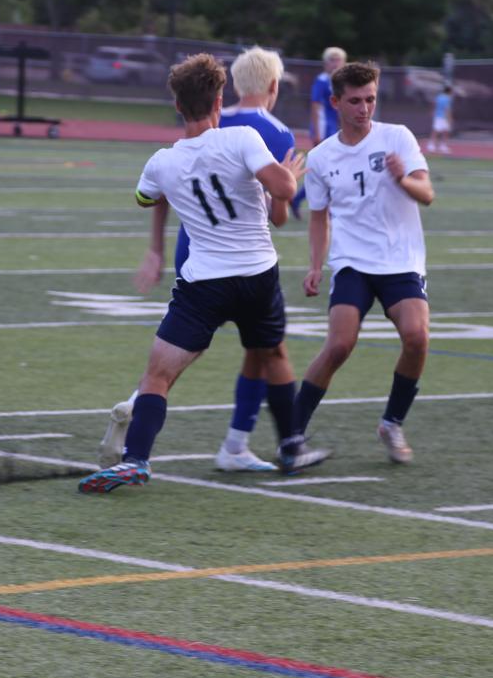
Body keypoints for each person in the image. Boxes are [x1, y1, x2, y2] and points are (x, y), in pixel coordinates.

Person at [78, 54, 327, 494]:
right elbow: (285, 192)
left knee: (157, 376)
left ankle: (136, 460)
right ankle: (291, 445)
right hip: (256, 276)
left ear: (178, 105)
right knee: (272, 355)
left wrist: (157, 243)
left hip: (203, 283)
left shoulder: (161, 162)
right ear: (219, 100)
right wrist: (286, 175)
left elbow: (144, 197)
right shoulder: (243, 139)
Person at [289, 61, 435, 465]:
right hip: (353, 261)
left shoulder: (397, 138)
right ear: (335, 102)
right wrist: (316, 265)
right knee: (338, 345)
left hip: (400, 259)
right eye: (355, 101)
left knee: (417, 337)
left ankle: (391, 422)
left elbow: (427, 194)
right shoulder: (320, 158)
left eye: (370, 99)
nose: (364, 108)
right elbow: (319, 217)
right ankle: (293, 431)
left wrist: (403, 178)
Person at [291, 46, 346, 219]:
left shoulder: (342, 82)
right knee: (328, 169)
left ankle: (297, 199)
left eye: (339, 60)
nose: (335, 63)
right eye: (332, 60)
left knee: (326, 171)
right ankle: (329, 209)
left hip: (334, 128)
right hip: (323, 130)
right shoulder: (322, 81)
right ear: (325, 63)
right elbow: (316, 106)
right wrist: (315, 131)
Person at [427, 84, 453, 154]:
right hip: (442, 117)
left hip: (438, 116)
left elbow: (434, 105)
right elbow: (447, 109)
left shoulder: (439, 97)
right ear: (449, 91)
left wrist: (433, 112)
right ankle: (434, 145)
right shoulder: (447, 98)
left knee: (441, 130)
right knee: (440, 131)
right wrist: (450, 118)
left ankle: (438, 145)